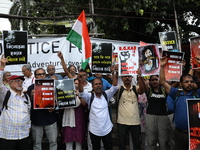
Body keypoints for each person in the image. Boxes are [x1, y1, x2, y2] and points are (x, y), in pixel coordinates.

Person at [160, 56, 200, 150]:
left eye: (191, 81)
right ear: (181, 84)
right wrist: (162, 66)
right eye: (186, 82)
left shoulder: (197, 94)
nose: (189, 83)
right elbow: (162, 82)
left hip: (195, 135)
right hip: (179, 134)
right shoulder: (176, 93)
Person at [78, 65, 118, 150]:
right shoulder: (90, 97)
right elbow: (81, 92)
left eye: (99, 84)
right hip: (94, 130)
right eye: (96, 84)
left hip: (107, 129)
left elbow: (114, 87)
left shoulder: (106, 94)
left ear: (102, 85)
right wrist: (80, 80)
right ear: (92, 87)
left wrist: (113, 73)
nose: (98, 86)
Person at [0, 57, 31, 150]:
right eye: (16, 81)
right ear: (10, 83)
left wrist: (28, 126)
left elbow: (28, 113)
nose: (19, 82)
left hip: (23, 135)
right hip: (8, 135)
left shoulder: (26, 97)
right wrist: (1, 67)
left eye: (21, 81)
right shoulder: (5, 93)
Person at [27, 68, 58, 150]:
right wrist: (31, 96)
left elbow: (58, 101)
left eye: (43, 74)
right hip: (36, 119)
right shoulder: (31, 88)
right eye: (39, 74)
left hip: (50, 118)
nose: (41, 76)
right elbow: (26, 105)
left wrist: (54, 106)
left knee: (53, 142)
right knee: (37, 143)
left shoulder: (53, 86)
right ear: (35, 76)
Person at [116, 70, 145, 150]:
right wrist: (114, 73)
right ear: (122, 78)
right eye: (125, 76)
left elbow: (142, 91)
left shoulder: (136, 88)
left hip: (135, 121)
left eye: (129, 76)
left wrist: (140, 77)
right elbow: (113, 87)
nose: (127, 78)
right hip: (122, 121)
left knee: (136, 144)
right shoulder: (119, 89)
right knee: (122, 144)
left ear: (132, 78)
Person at [145, 75, 170, 150]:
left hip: (163, 117)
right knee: (151, 139)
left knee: (163, 140)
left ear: (159, 80)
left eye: (156, 79)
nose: (154, 81)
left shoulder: (164, 90)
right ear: (150, 82)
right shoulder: (148, 90)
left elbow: (173, 86)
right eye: (152, 80)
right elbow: (143, 86)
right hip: (151, 117)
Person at [62, 78, 87, 150]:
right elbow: (60, 107)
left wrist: (79, 96)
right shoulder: (65, 93)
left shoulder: (83, 94)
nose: (75, 85)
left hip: (78, 120)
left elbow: (85, 105)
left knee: (78, 142)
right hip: (68, 120)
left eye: (77, 83)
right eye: (74, 83)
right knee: (68, 142)